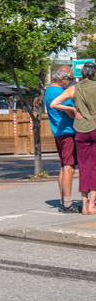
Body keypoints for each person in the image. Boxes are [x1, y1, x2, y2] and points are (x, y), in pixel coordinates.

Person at [52, 62, 96, 215]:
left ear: (81, 74)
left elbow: (53, 104)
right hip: (95, 128)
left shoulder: (73, 89)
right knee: (95, 166)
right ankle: (92, 204)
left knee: (84, 167)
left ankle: (84, 206)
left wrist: (71, 108)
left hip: (80, 130)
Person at [45, 66, 77, 213]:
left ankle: (63, 200)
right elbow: (72, 114)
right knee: (69, 167)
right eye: (70, 79)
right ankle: (68, 203)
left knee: (64, 166)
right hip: (67, 131)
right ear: (63, 78)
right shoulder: (61, 93)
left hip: (58, 131)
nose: (71, 82)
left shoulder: (49, 91)